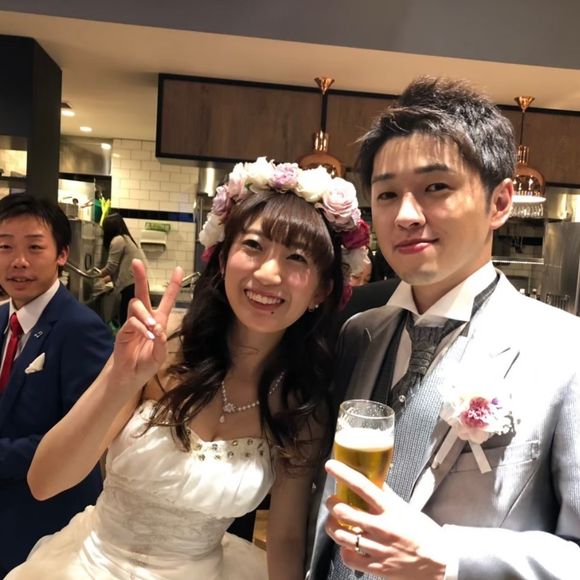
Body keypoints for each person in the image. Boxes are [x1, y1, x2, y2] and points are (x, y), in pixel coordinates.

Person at [7, 158, 370, 580]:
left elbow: (286, 538)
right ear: (223, 259)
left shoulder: (300, 404)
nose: (269, 273)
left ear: (322, 289)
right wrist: (120, 379)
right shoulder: (162, 347)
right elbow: (45, 482)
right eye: (254, 246)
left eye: (297, 257)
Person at [308, 77, 580, 580]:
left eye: (436, 187)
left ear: (499, 203)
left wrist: (450, 557)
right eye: (387, 194)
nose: (406, 215)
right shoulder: (359, 334)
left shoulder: (566, 351)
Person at [0, 194, 113, 577]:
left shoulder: (82, 329)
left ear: (62, 254)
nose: (18, 261)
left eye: (34, 247)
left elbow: (85, 438)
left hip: (45, 521)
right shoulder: (3, 318)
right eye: (5, 247)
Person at [98, 212, 147, 325]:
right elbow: (121, 268)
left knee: (126, 321)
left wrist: (93, 276)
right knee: (132, 321)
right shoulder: (126, 238)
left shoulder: (118, 240)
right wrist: (104, 279)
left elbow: (111, 267)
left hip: (130, 287)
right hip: (136, 285)